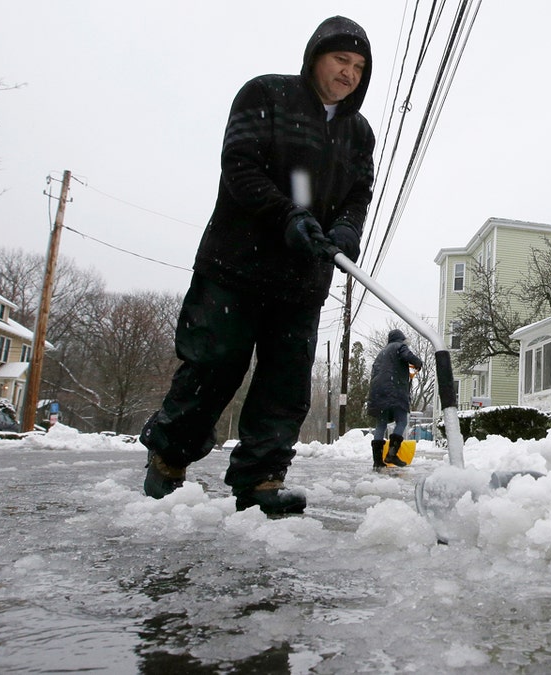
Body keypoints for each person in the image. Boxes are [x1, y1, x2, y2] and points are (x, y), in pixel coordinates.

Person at [140, 16, 375, 517]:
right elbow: (239, 164)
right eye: (340, 60)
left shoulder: (358, 132)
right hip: (236, 265)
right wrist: (286, 214)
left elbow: (359, 194)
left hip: (303, 279)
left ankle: (261, 478)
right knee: (213, 365)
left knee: (285, 382)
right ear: (315, 56)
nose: (348, 73)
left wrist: (348, 230)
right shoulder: (266, 95)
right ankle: (169, 460)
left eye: (358, 66)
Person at [366, 329, 424, 469]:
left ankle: (377, 461)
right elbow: (408, 356)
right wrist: (418, 363)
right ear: (401, 339)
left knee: (380, 425)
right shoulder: (399, 346)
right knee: (402, 420)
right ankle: (392, 453)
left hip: (378, 394)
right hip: (394, 391)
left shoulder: (381, 353)